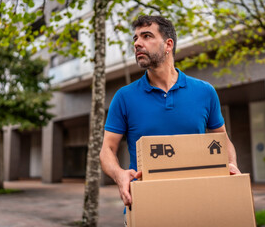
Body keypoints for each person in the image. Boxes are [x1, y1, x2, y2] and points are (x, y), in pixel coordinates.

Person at [99, 15, 241, 209]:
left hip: (199, 203)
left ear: (168, 45)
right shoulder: (124, 97)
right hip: (145, 205)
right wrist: (119, 174)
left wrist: (231, 164)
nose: (138, 44)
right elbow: (107, 150)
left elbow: (222, 140)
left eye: (146, 36)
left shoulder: (205, 92)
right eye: (135, 38)